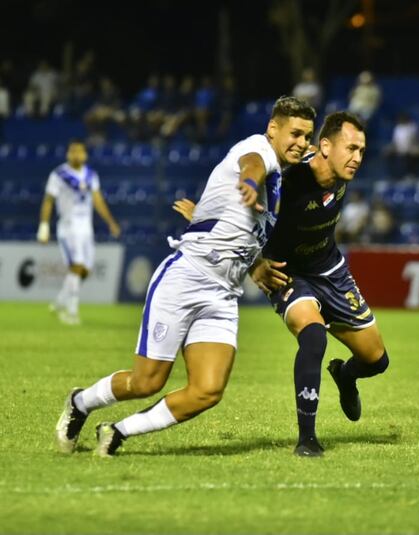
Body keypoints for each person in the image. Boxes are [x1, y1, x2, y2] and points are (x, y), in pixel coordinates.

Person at [53, 96, 316, 457]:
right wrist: (250, 183)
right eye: (295, 133)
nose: (301, 143)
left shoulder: (279, 185)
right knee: (146, 381)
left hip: (222, 294)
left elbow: (236, 229)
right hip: (186, 279)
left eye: (307, 137)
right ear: (273, 128)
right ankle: (80, 402)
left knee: (208, 390)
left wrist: (255, 264)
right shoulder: (258, 150)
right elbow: (251, 165)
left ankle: (116, 432)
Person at [179, 112, 389, 457]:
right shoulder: (287, 180)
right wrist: (253, 263)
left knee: (376, 361)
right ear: (324, 146)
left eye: (362, 151)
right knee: (313, 335)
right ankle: (307, 438)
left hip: (331, 270)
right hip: (286, 273)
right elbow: (238, 210)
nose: (357, 158)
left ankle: (345, 376)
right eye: (351, 148)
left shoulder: (341, 174)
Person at [37, 140, 121, 325]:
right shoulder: (59, 174)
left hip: (86, 228)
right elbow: (48, 200)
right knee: (76, 266)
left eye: (79, 151)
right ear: (68, 153)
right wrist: (44, 226)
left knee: (84, 271)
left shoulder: (91, 175)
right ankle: (71, 312)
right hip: (68, 227)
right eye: (72, 151)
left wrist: (111, 222)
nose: (76, 154)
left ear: (85, 154)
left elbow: (98, 200)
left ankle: (60, 302)